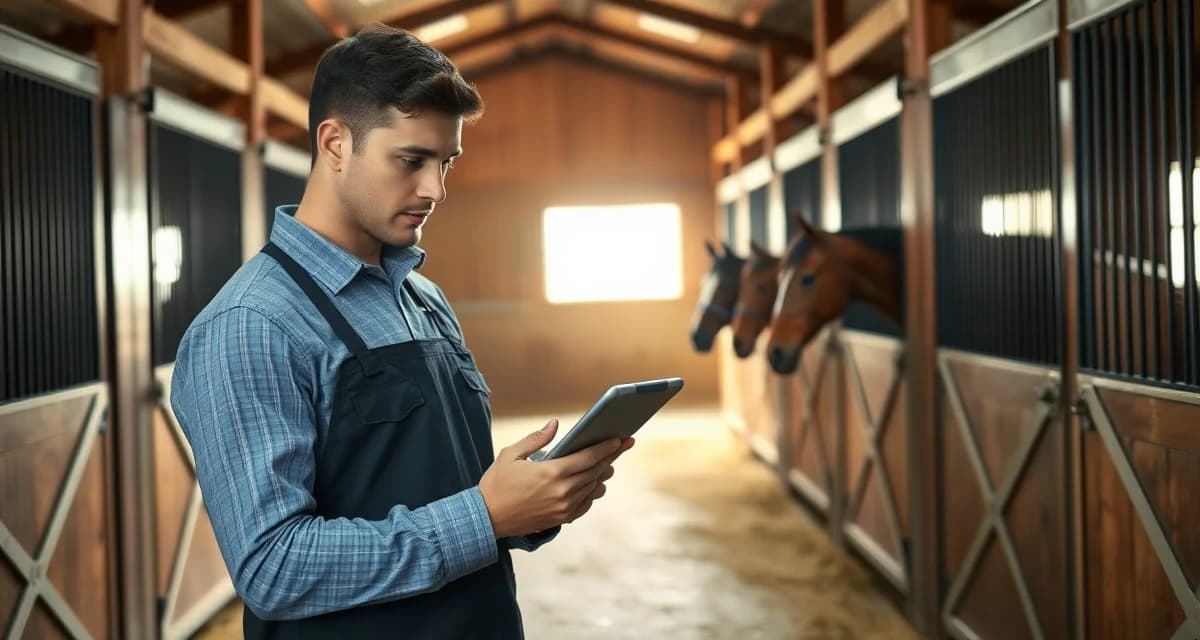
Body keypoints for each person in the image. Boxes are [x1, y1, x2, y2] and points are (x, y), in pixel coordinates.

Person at [170, 23, 634, 639]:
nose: (434, 189)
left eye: (445, 162)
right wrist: (485, 515)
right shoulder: (251, 326)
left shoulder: (424, 298)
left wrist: (532, 501)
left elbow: (450, 491)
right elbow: (272, 568)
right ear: (335, 143)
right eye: (411, 160)